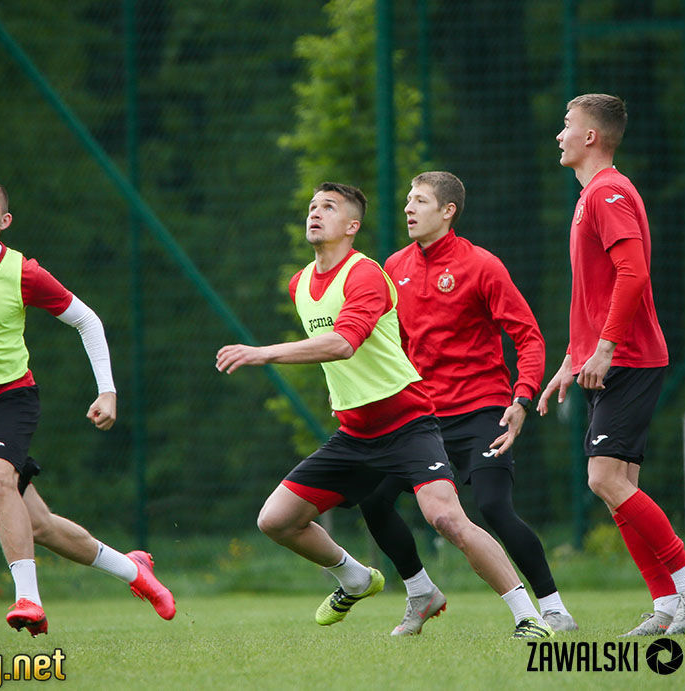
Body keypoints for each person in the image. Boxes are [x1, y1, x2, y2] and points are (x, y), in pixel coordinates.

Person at [217, 182, 552, 639]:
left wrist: (262, 353)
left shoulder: (367, 274)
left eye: (329, 207)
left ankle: (529, 616)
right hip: (355, 434)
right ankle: (356, 578)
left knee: (448, 518)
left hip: (408, 425)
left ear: (352, 226)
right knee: (275, 520)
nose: (315, 213)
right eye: (312, 206)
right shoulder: (301, 284)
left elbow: (343, 343)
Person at [0, 178, 175, 636]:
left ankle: (29, 599)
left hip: (10, 397)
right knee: (39, 525)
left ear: (4, 220)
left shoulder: (22, 272)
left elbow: (87, 320)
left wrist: (107, 391)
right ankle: (133, 569)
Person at [357, 170, 577, 636]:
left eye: (420, 201)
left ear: (448, 211)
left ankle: (554, 608)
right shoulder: (393, 267)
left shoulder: (482, 265)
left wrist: (522, 398)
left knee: (494, 507)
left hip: (481, 410)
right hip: (419, 419)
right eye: (407, 200)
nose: (408, 209)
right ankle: (420, 592)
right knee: (372, 498)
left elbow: (528, 337)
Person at [539, 93, 685, 636]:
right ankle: (666, 601)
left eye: (567, 124)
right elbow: (594, 294)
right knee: (621, 485)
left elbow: (633, 272)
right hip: (612, 357)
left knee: (603, 478)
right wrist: (572, 359)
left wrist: (605, 348)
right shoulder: (591, 195)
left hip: (629, 358)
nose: (559, 134)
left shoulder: (608, 192)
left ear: (591, 136)